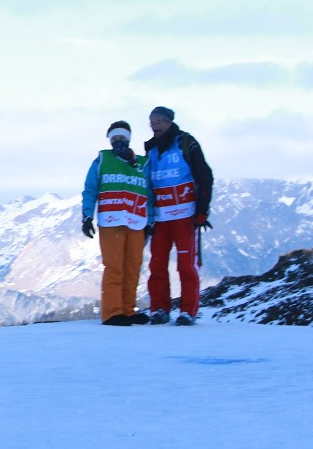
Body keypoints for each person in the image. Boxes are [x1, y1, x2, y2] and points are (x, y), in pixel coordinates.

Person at [143, 107, 214, 325]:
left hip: (185, 215)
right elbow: (146, 183)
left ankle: (188, 310)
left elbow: (204, 175)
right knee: (156, 264)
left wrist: (202, 210)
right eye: (151, 123)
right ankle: (159, 308)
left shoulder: (186, 142)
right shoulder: (151, 149)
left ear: (169, 122)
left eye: (158, 122)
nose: (155, 127)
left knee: (186, 264)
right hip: (160, 217)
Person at [81, 121, 153, 326]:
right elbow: (90, 189)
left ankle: (128, 310)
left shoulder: (142, 164)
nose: (118, 141)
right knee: (114, 267)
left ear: (128, 139)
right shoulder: (102, 161)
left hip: (137, 221)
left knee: (133, 267)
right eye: (114, 138)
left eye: (121, 138)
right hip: (111, 220)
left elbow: (150, 194)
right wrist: (87, 216)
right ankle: (112, 312)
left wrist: (151, 221)